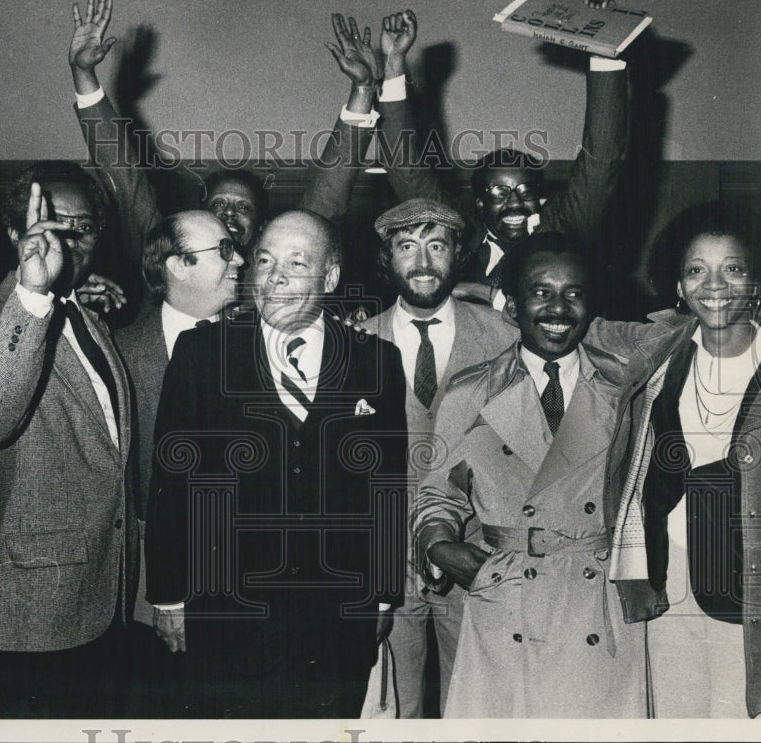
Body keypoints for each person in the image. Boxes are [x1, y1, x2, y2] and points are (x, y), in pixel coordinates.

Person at [144, 210, 408, 718]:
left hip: (337, 618)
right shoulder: (202, 354)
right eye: (265, 261)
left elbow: (387, 485)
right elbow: (170, 484)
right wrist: (170, 600)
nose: (276, 276)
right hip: (227, 619)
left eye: (296, 262)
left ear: (330, 277)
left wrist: (381, 597)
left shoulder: (377, 362)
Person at [411, 232, 654, 717]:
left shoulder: (628, 391)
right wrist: (440, 546)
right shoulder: (470, 392)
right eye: (541, 292)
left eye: (574, 293)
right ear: (512, 304)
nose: (558, 308)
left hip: (598, 601)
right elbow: (438, 495)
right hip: (507, 598)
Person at [0, 161, 137, 718]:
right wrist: (32, 293)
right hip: (32, 611)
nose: (69, 241)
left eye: (83, 228)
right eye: (52, 226)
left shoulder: (87, 312)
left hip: (105, 595)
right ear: (15, 234)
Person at [609, 202, 761, 718]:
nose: (714, 284)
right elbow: (577, 325)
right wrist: (492, 297)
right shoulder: (658, 351)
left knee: (749, 716)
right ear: (678, 286)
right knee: (675, 716)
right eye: (696, 270)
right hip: (670, 572)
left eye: (733, 268)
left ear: (756, 282)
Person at [68, 0, 374, 277]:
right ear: (199, 214)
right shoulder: (169, 263)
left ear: (263, 226)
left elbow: (329, 194)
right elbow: (127, 182)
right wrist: (84, 76)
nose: (229, 214)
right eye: (218, 204)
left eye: (243, 208)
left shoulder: (276, 278)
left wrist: (362, 91)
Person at [356, 198, 517, 717]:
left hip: (476, 553)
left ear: (458, 256)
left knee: (473, 703)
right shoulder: (353, 343)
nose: (422, 262)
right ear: (387, 261)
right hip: (382, 561)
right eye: (407, 247)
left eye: (437, 246)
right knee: (389, 709)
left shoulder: (507, 338)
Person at [376, 0, 627, 309]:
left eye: (525, 190)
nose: (515, 203)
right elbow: (406, 169)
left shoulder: (563, 230)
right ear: (478, 203)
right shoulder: (456, 234)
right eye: (498, 192)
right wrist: (394, 64)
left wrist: (604, 50)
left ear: (543, 198)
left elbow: (602, 159)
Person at [111, 210, 244, 714]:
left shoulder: (262, 346)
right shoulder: (118, 353)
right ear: (179, 265)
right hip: (147, 590)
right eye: (225, 250)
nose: (242, 260)